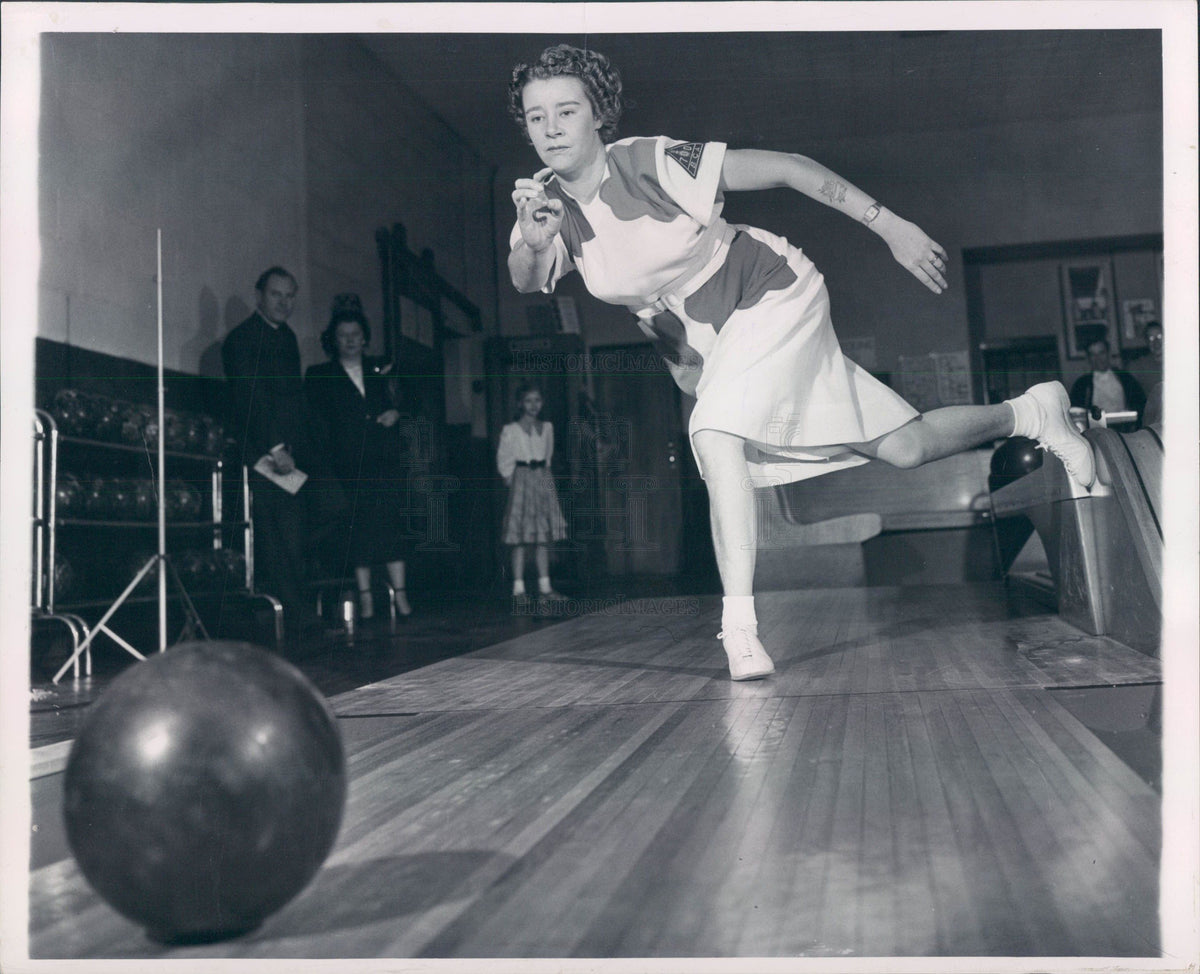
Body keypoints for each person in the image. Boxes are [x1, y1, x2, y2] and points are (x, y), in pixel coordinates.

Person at [505, 44, 1095, 681]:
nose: (552, 128)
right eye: (537, 117)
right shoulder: (540, 205)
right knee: (903, 447)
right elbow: (526, 275)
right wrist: (536, 244)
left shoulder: (648, 160)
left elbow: (787, 167)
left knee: (713, 434)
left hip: (770, 290)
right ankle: (1035, 412)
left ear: (599, 116)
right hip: (712, 340)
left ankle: (738, 628)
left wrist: (890, 225)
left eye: (567, 110)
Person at [223, 266, 338, 642]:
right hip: (262, 458)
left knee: (329, 510)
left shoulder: (287, 338)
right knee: (282, 538)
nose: (284, 303)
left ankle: (300, 611)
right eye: (276, 295)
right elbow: (248, 400)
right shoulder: (241, 340)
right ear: (259, 295)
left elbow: (294, 401)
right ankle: (297, 619)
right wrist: (275, 449)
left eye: (290, 296)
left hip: (293, 456)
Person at [304, 294, 414, 622]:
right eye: (343, 336)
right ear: (333, 341)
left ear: (364, 338)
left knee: (392, 528)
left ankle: (401, 597)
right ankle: (366, 599)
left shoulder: (381, 371)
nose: (350, 341)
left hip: (385, 462)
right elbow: (314, 423)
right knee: (360, 533)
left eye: (356, 335)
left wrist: (396, 413)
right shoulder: (319, 375)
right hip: (348, 467)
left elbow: (410, 400)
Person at [496, 383, 568, 610]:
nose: (533, 405)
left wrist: (544, 482)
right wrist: (515, 481)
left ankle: (545, 588)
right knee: (520, 538)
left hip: (543, 481)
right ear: (520, 403)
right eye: (528, 400)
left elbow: (547, 456)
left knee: (542, 538)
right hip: (522, 482)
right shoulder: (511, 430)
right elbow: (504, 459)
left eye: (537, 400)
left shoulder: (547, 428)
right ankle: (519, 590)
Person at [1069, 337, 1146, 420]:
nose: (1098, 358)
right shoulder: (1081, 385)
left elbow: (1141, 405)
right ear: (1088, 358)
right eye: (1093, 354)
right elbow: (1076, 414)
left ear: (1109, 354)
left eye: (1101, 353)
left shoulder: (1125, 378)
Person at [1141, 321, 1164, 427]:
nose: (1156, 342)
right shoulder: (1137, 367)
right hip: (1154, 423)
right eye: (1151, 338)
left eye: (1159, 337)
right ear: (1146, 342)